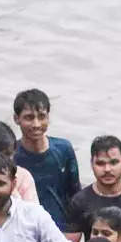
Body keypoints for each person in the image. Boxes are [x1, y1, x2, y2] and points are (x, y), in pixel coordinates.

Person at [11, 89, 80, 232]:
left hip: (61, 230)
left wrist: (75, 231)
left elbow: (75, 194)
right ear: (16, 119)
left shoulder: (63, 149)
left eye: (41, 116)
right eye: (29, 117)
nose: (36, 124)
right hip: (24, 230)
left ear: (48, 117)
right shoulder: (10, 155)